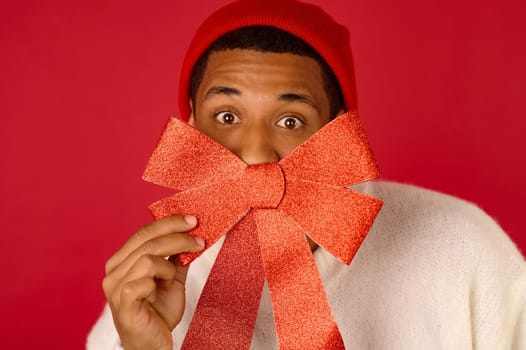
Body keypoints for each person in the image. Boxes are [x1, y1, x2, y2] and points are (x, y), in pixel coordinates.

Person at [87, 0, 526, 349]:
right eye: (226, 115)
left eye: (290, 120)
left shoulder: (462, 247)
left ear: (339, 127)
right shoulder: (150, 290)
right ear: (191, 125)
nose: (256, 154)